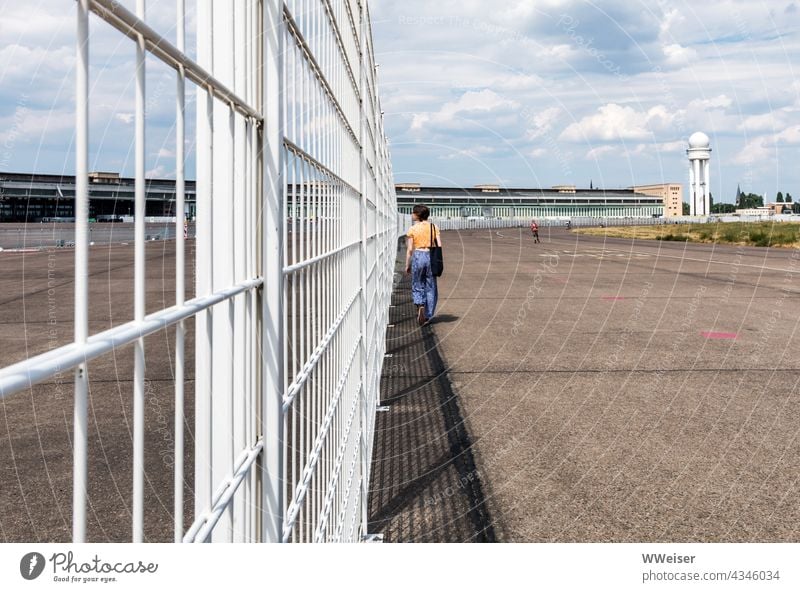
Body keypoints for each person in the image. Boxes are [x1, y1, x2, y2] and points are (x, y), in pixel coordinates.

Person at [405, 204, 441, 326]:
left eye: (413, 212)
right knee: (431, 286)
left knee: (417, 283)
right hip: (430, 256)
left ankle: (420, 304)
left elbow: (410, 249)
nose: (411, 214)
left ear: (417, 215)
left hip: (418, 256)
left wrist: (407, 264)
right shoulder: (433, 227)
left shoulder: (413, 229)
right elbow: (439, 245)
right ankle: (427, 315)